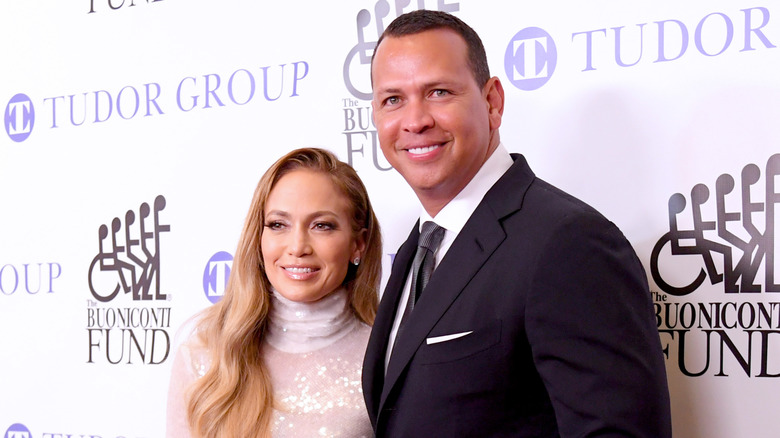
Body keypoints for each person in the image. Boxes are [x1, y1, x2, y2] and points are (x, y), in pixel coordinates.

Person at [361, 10, 672, 437]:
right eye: (393, 99)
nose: (415, 121)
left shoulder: (569, 243)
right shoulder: (417, 249)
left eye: (438, 92)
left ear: (492, 102)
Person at [166, 148, 382, 437]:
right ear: (259, 237)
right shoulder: (205, 355)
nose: (297, 246)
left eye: (321, 226)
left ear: (358, 244)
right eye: (278, 224)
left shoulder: (387, 360)